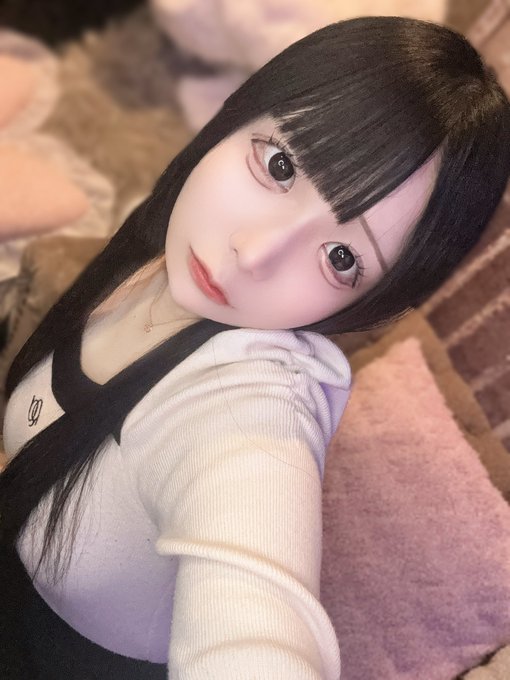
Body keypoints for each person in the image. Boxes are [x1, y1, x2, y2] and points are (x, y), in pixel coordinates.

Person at [1, 15, 509, 680]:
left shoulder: (249, 403)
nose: (255, 252)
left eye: (341, 257)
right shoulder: (161, 248)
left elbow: (256, 615)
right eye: (280, 164)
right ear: (241, 112)